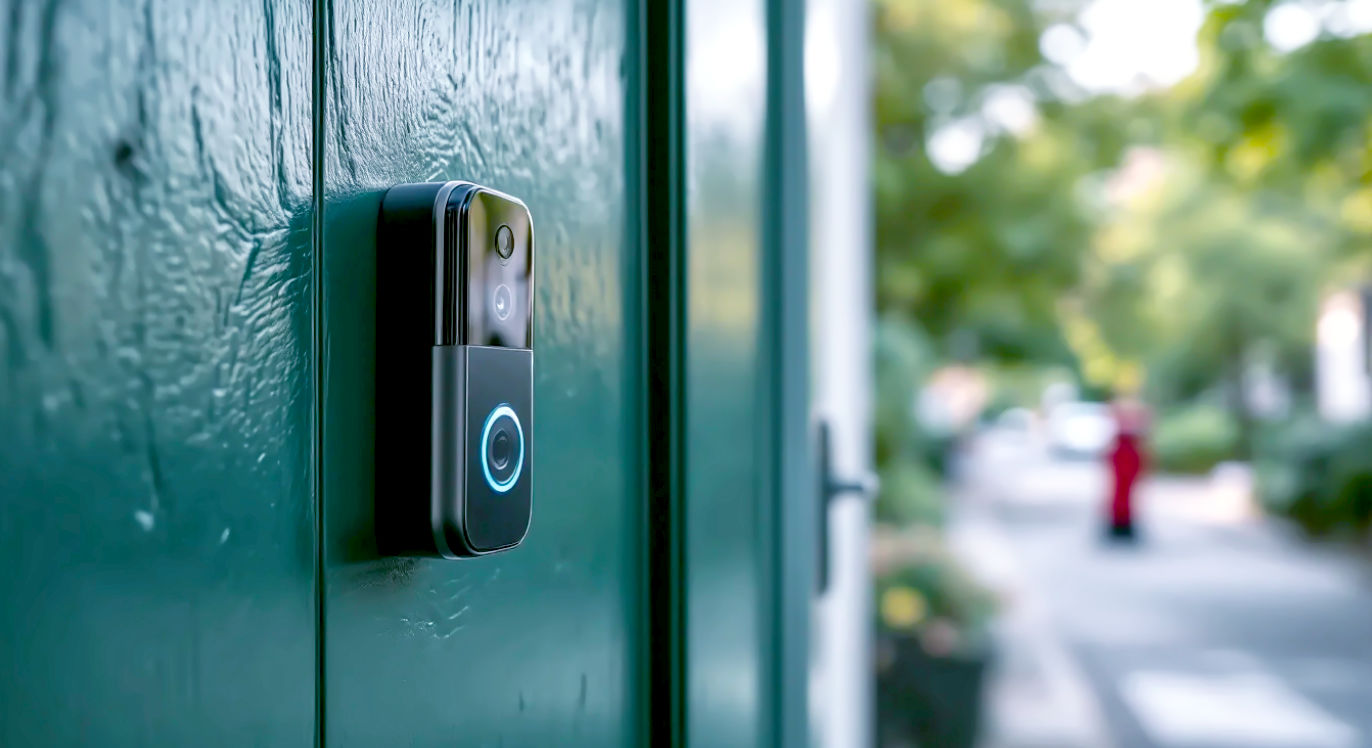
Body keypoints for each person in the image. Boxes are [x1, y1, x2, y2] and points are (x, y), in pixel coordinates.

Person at [1106, 399, 1149, 541]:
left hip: (1129, 454)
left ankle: (1125, 523)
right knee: (1120, 491)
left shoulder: (1133, 432)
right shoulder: (1121, 430)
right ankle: (1119, 523)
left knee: (1128, 492)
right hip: (1123, 453)